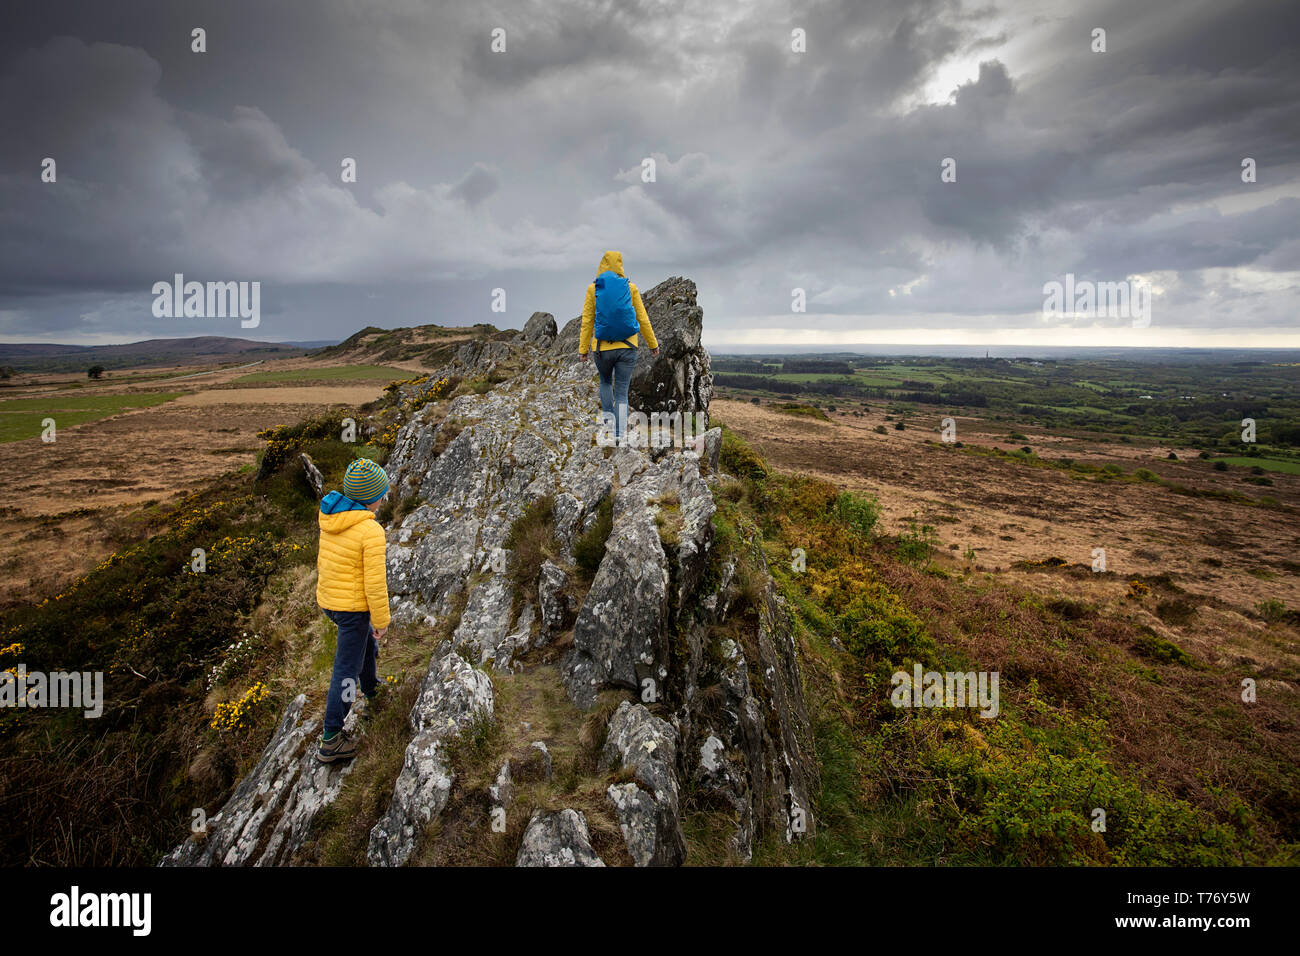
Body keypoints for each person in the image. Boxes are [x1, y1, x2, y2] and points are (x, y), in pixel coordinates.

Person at [315, 458, 390, 763]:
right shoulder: (370, 531)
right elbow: (375, 584)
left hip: (330, 602)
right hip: (352, 610)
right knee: (346, 674)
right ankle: (331, 737)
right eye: (381, 494)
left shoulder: (334, 516)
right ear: (372, 498)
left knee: (365, 646)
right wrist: (381, 620)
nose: (384, 499)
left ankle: (372, 690)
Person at [578, 250, 659, 445]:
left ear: (602, 265)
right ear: (620, 266)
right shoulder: (630, 288)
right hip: (628, 347)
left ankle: (608, 425)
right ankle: (619, 436)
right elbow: (642, 318)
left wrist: (583, 349)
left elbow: (587, 321)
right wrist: (653, 344)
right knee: (622, 392)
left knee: (605, 383)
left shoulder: (593, 288)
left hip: (602, 349)